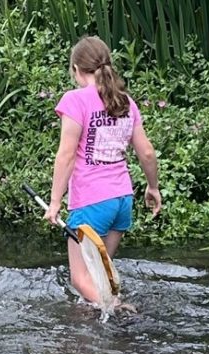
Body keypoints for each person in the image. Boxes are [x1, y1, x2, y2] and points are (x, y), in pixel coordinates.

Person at [42, 36, 161, 306]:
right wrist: (153, 187)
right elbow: (147, 153)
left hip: (91, 202)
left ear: (76, 69)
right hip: (122, 200)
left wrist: (55, 202)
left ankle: (120, 312)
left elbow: (66, 154)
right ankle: (101, 337)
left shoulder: (75, 100)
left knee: (81, 279)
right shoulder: (126, 102)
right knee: (99, 275)